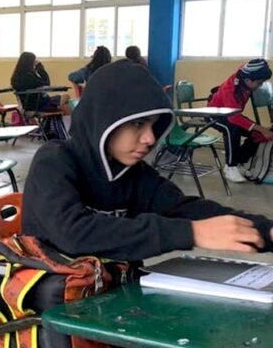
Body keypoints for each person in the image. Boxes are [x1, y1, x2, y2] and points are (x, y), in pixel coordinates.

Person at [21, 61, 273, 345]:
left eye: (154, 125)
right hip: (56, 315)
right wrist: (190, 233)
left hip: (110, 302)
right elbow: (73, 233)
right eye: (138, 124)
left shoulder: (134, 174)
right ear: (104, 119)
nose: (150, 138)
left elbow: (187, 209)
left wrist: (266, 231)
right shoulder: (54, 160)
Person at [208, 58, 273, 183]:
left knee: (257, 134)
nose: (260, 86)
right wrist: (262, 128)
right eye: (259, 83)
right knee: (232, 128)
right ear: (248, 80)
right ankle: (230, 167)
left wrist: (261, 130)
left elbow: (252, 64)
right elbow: (234, 118)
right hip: (214, 114)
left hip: (233, 114)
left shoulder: (246, 74)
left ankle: (238, 163)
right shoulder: (230, 89)